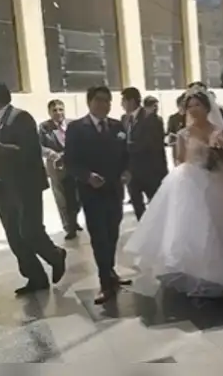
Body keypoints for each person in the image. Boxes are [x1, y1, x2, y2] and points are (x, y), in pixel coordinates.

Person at [124, 86, 223, 300]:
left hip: (216, 181)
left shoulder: (219, 131)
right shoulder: (183, 133)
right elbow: (180, 159)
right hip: (189, 182)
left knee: (220, 230)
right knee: (190, 230)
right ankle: (196, 273)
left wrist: (219, 154)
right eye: (190, 106)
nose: (193, 110)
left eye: (197, 105)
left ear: (206, 107)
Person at [0, 82, 66, 294]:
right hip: (3, 188)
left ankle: (55, 255)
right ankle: (35, 278)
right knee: (14, 237)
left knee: (30, 231)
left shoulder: (21, 118)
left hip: (26, 185)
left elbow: (29, 152)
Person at [63, 85, 128, 304]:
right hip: (91, 193)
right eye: (99, 100)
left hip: (115, 190)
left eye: (108, 101)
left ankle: (110, 272)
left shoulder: (117, 126)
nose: (104, 105)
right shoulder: (76, 128)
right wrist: (87, 176)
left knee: (112, 235)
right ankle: (105, 282)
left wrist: (127, 171)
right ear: (89, 102)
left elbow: (125, 155)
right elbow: (70, 162)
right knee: (99, 237)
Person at [121, 87, 167, 220]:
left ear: (132, 101)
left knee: (156, 206)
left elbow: (151, 145)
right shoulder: (124, 119)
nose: (122, 104)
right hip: (132, 172)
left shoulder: (151, 118)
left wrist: (126, 147)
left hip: (150, 172)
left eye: (123, 100)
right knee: (137, 205)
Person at [39, 98, 81, 240]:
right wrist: (52, 154)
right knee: (62, 198)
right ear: (49, 112)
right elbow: (39, 146)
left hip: (74, 164)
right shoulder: (44, 127)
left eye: (60, 109)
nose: (58, 113)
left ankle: (74, 220)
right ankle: (69, 227)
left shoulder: (73, 125)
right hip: (56, 167)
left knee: (76, 196)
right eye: (54, 110)